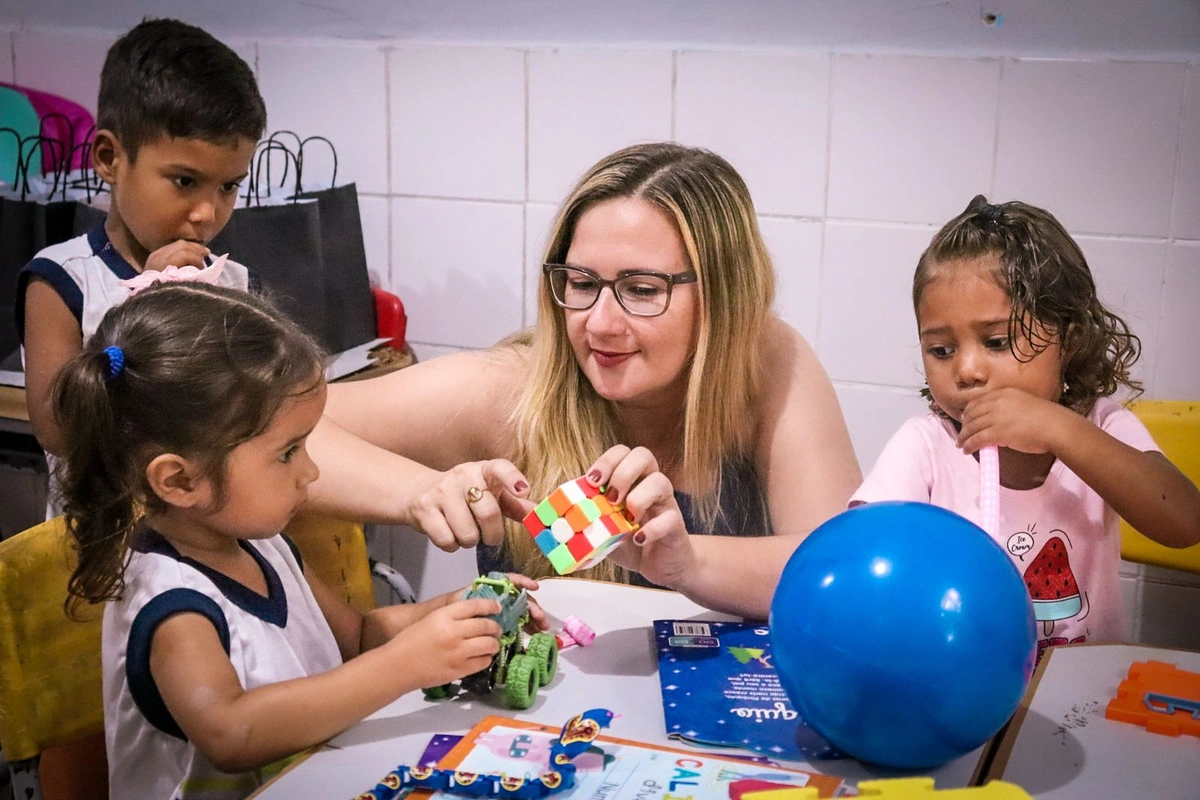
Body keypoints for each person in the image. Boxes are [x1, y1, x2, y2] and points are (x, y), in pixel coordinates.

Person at [306, 142, 862, 618]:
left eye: (642, 290)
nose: (599, 324)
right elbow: (275, 427)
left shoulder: (768, 361)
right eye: (581, 283)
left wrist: (688, 563)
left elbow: (844, 573)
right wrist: (415, 492)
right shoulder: (510, 392)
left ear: (724, 298)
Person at [53, 281, 544, 798]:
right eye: (288, 453)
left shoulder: (260, 543)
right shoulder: (172, 603)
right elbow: (232, 733)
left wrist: (458, 612)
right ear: (179, 481)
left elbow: (357, 637)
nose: (311, 472)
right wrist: (405, 664)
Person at [850, 195, 1200, 656]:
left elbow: (1184, 523)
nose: (967, 370)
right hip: (967, 684)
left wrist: (1059, 429)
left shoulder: (1102, 425)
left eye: (996, 342)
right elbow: (863, 552)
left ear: (1070, 341)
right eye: (941, 350)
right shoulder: (928, 445)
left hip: (1076, 687)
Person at [18, 17, 265, 459]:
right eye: (185, 181)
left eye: (229, 186)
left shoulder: (237, 285)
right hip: (112, 506)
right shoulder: (62, 283)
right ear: (109, 158)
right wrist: (149, 307)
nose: (208, 213)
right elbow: (61, 433)